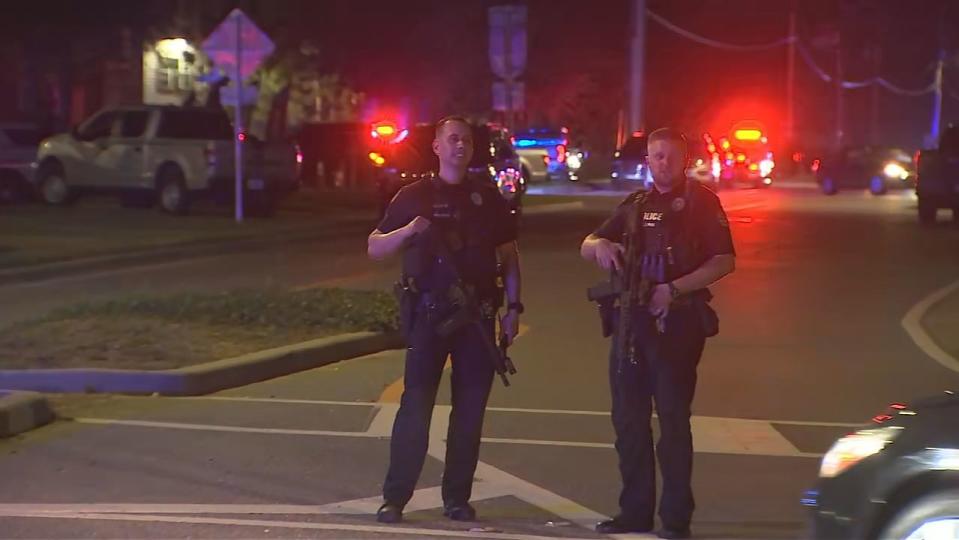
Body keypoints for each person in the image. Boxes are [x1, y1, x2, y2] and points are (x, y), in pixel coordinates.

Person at [580, 127, 736, 539]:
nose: (662, 162)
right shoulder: (635, 204)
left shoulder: (701, 202)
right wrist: (599, 246)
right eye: (655, 156)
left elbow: (723, 260)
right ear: (646, 160)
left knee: (671, 423)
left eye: (669, 156)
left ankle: (675, 519)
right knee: (628, 423)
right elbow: (590, 240)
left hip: (677, 327)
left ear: (684, 160)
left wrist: (674, 288)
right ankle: (634, 512)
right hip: (632, 325)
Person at [367, 116, 522, 524]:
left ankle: (457, 497)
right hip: (429, 317)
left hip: (476, 319)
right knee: (415, 407)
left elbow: (509, 257)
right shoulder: (413, 196)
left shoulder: (488, 199)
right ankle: (395, 497)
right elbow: (376, 247)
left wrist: (514, 309)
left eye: (466, 141)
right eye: (452, 140)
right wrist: (408, 232)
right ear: (436, 147)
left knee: (469, 412)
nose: (460, 146)